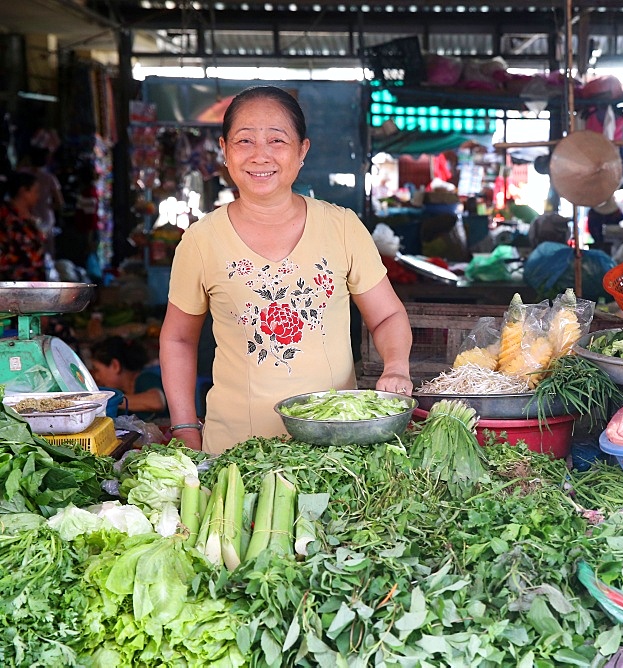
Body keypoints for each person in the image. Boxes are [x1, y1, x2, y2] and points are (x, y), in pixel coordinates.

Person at [159, 85, 413, 454]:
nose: (260, 155)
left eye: (276, 140)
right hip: (236, 449)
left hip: (335, 447)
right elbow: (178, 339)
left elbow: (387, 315)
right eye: (244, 141)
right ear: (225, 151)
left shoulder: (341, 226)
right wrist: (184, 427)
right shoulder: (201, 240)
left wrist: (396, 367)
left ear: (301, 151)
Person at [89, 336, 169, 422]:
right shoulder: (124, 392)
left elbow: (157, 402)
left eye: (97, 370)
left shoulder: (145, 378)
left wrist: (109, 400)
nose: (96, 377)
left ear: (115, 365)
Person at [0, 171, 47, 281]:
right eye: (35, 192)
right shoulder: (7, 219)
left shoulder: (28, 217)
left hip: (33, 283)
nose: (38, 196)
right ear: (23, 192)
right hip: (14, 285)